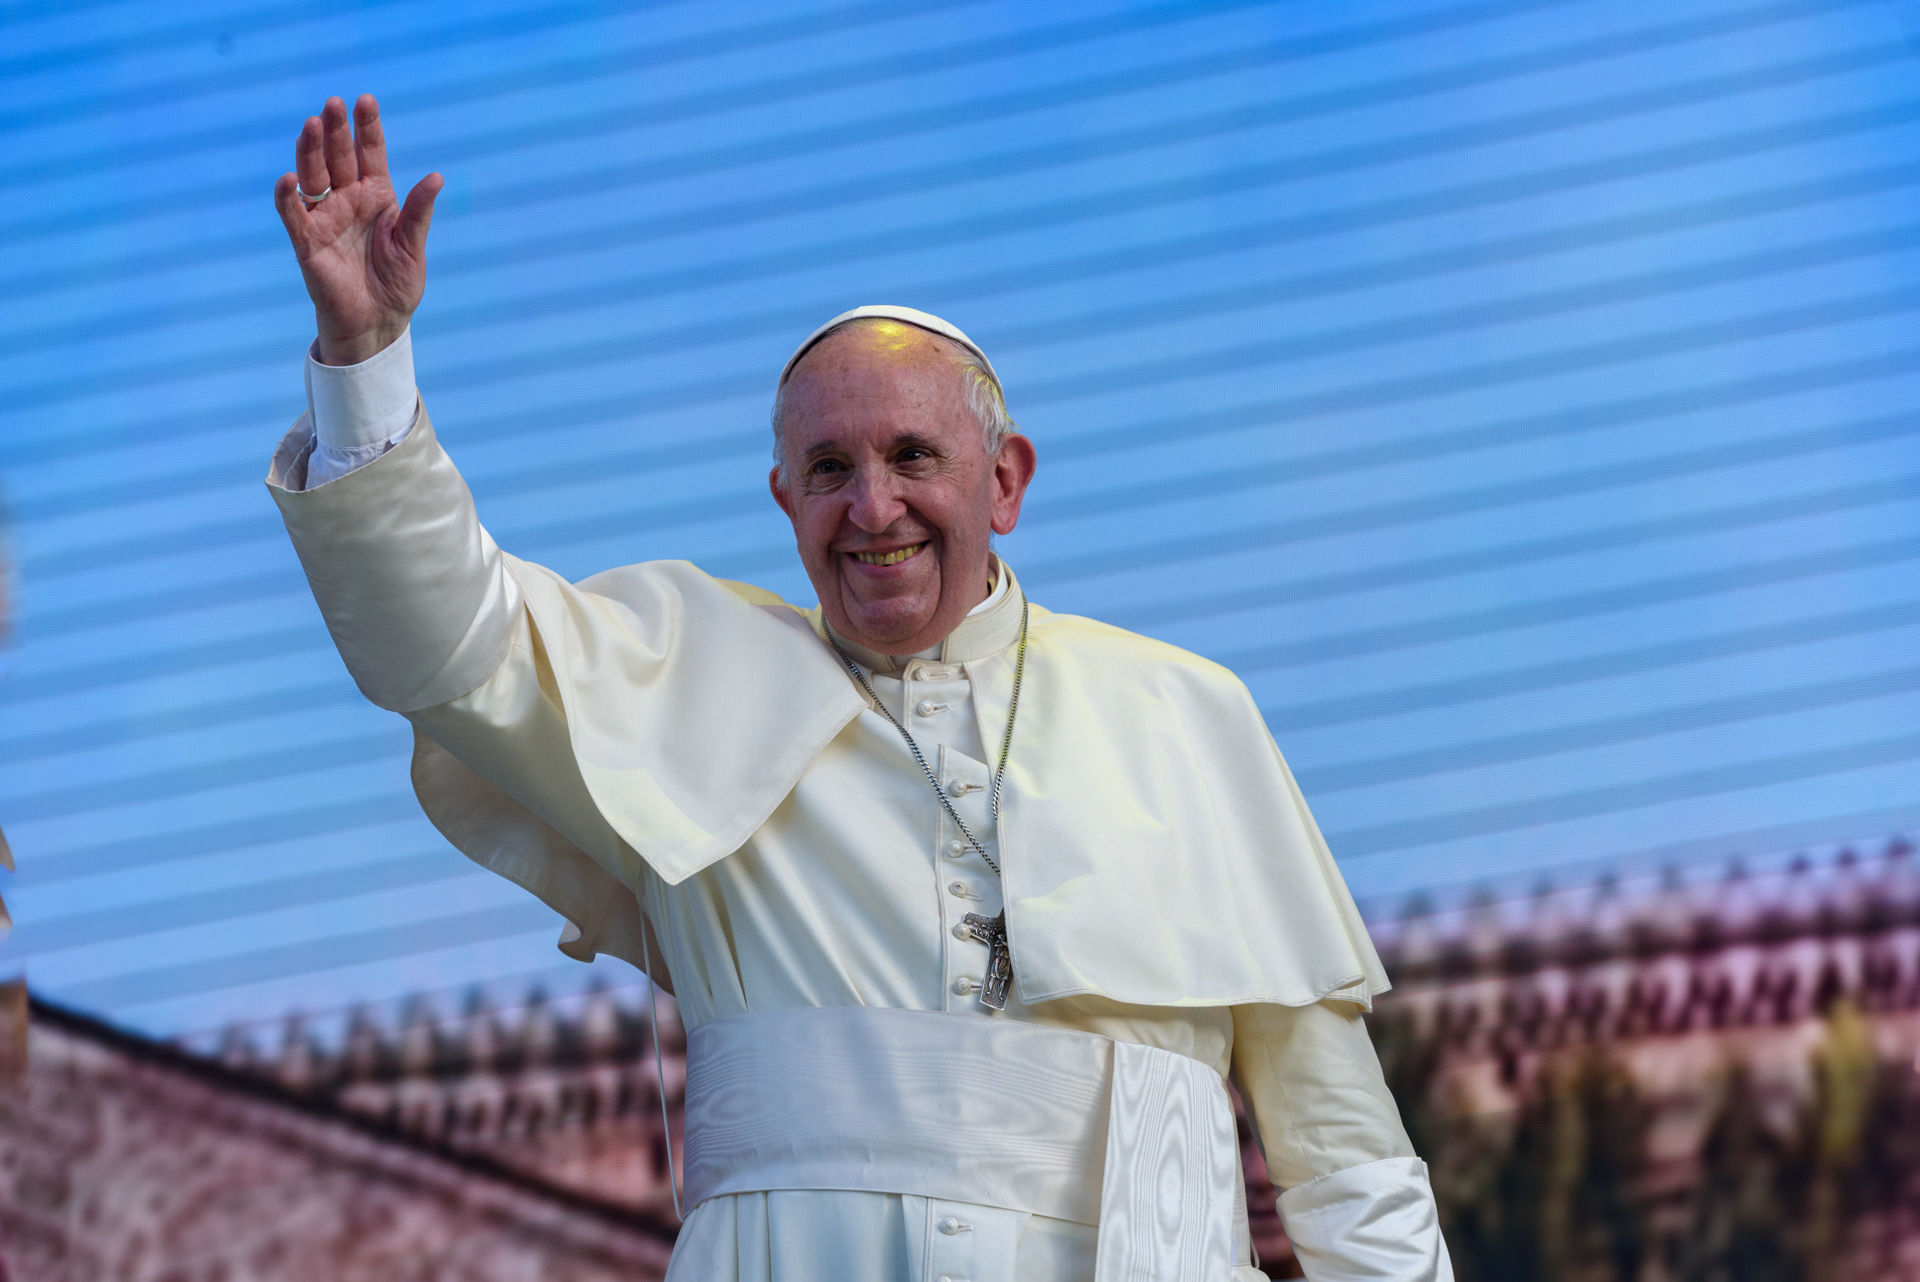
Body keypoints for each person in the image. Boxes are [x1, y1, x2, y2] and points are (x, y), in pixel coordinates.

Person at [269, 94, 1453, 1282]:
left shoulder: (1184, 714)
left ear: (1007, 480)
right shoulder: (684, 672)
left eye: (913, 457)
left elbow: (1346, 1161)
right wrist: (367, 363)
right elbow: (443, 641)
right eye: (828, 468)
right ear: (784, 500)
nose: (872, 507)